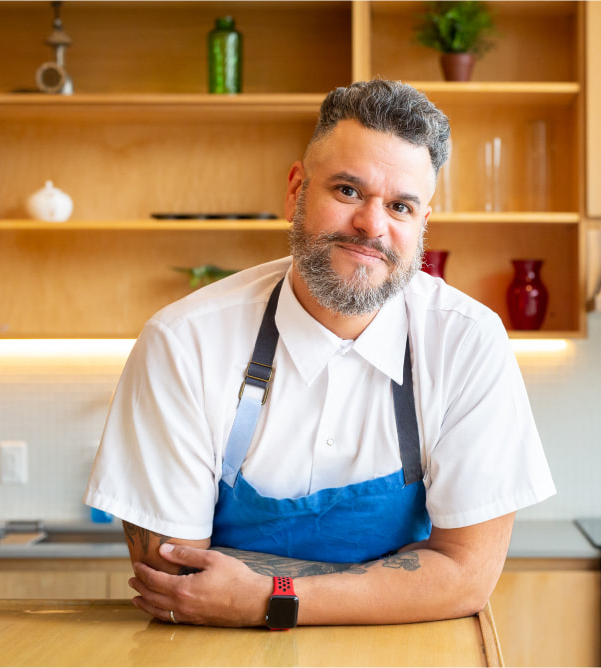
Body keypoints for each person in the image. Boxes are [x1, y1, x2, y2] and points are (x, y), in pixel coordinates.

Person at [84, 79, 555, 629]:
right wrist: (404, 582)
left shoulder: (468, 343)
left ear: (423, 224)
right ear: (296, 190)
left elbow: (466, 578)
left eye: (400, 206)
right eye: (348, 191)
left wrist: (266, 596)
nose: (372, 226)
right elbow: (180, 590)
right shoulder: (184, 343)